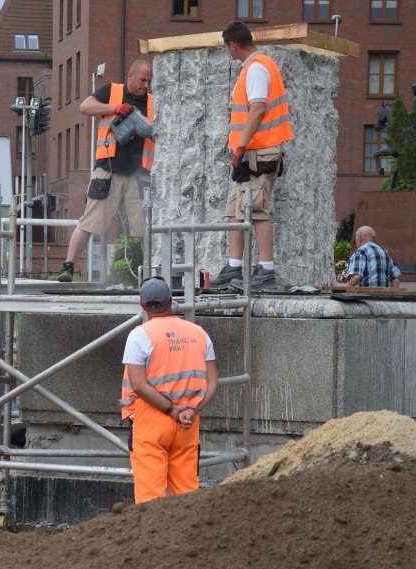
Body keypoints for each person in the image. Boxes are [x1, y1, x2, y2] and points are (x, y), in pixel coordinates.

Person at [120, 277, 218, 503]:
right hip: (188, 422)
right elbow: (212, 382)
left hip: (151, 421)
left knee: (150, 500)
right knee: (186, 496)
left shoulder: (140, 335)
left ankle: (154, 538)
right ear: (171, 301)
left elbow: (138, 384)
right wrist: (192, 410)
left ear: (143, 306)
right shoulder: (198, 333)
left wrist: (172, 409)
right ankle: (187, 537)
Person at [56, 60, 155, 282]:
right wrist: (114, 108)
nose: (146, 85)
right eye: (142, 80)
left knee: (145, 228)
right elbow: (85, 107)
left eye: (149, 81)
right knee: (90, 220)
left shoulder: (153, 103)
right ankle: (68, 267)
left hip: (139, 175)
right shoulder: (112, 91)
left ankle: (149, 273)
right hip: (108, 169)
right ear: (130, 76)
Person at [211, 22, 293, 290]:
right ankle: (234, 267)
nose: (228, 52)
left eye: (227, 48)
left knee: (257, 210)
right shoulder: (255, 67)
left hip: (259, 150)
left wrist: (241, 146)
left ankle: (266, 270)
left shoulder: (257, 68)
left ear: (233, 45)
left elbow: (257, 110)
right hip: (252, 151)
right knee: (235, 210)